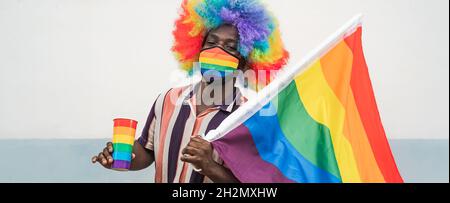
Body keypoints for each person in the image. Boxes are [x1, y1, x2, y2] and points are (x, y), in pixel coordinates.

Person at [92, 0, 289, 183]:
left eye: (230, 47)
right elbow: (146, 152)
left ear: (245, 63)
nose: (217, 51)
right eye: (211, 43)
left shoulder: (249, 118)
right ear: (198, 49)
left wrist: (210, 167)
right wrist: (119, 155)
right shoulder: (168, 99)